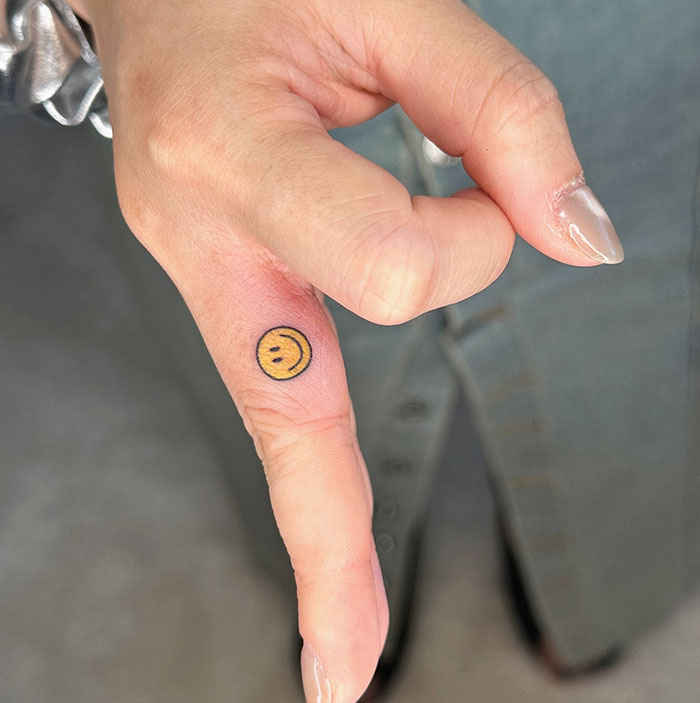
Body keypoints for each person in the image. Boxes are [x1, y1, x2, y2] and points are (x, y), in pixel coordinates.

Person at [5, 1, 699, 702]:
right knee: (304, 446)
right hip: (213, 61)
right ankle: (377, 614)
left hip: (628, 50)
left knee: (618, 365)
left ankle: (594, 599)